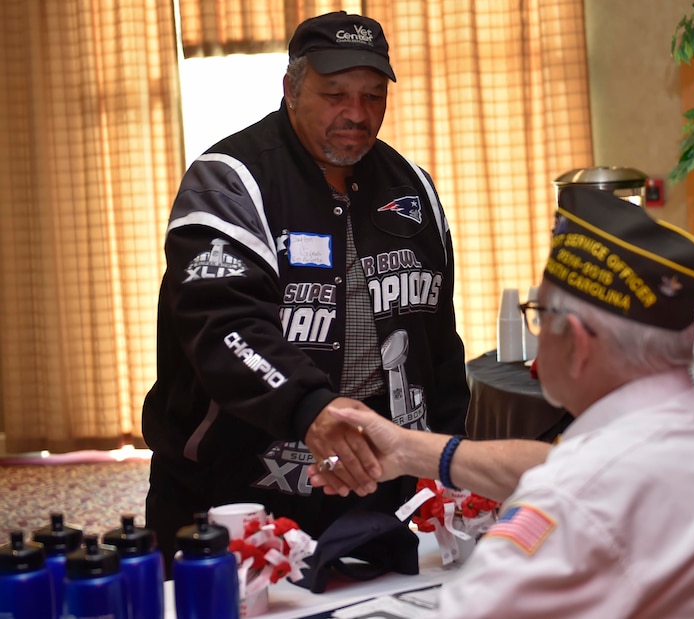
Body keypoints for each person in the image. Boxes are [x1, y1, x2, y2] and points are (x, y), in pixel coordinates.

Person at [310, 186, 694, 618]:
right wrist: (405, 450)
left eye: (537, 312)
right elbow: (589, 470)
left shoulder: (573, 502)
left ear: (576, 342)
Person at [141, 10, 469, 573]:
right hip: (236, 491)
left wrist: (450, 457)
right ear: (291, 89)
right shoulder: (228, 181)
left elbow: (436, 343)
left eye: (372, 96)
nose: (357, 114)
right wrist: (313, 410)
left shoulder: (413, 187)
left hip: (378, 486)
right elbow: (226, 331)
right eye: (335, 93)